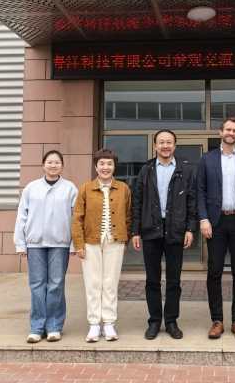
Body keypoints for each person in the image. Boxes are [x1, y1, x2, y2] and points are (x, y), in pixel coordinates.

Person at [197, 117, 235, 340]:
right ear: (220, 132)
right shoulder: (207, 159)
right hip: (215, 222)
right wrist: (203, 218)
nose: (231, 133)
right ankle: (217, 320)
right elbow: (200, 190)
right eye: (228, 129)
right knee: (214, 271)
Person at [131, 129, 197, 340]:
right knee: (152, 280)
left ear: (174, 146)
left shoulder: (185, 170)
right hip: (151, 229)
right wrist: (135, 231)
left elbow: (192, 201)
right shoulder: (146, 170)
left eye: (169, 142)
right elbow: (137, 201)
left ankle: (171, 321)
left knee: (173, 280)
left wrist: (190, 228)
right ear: (155, 146)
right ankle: (154, 321)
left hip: (175, 230)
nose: (165, 146)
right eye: (161, 142)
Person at [14, 150, 78, 344]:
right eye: (49, 162)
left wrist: (74, 243)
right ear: (43, 165)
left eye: (57, 162)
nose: (53, 165)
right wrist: (20, 243)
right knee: (37, 285)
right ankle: (36, 327)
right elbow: (22, 216)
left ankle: (54, 326)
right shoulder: (31, 188)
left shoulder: (70, 188)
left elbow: (76, 219)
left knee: (56, 284)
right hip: (35, 244)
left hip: (60, 243)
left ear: (62, 166)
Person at [71, 148, 131, 343]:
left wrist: (125, 237)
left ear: (114, 167)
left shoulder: (123, 188)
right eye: (102, 164)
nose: (106, 167)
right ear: (96, 167)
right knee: (93, 283)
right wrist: (79, 244)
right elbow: (77, 218)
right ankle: (94, 324)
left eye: (109, 164)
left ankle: (109, 323)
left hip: (115, 241)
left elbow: (129, 215)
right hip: (90, 242)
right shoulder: (85, 188)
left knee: (110, 283)